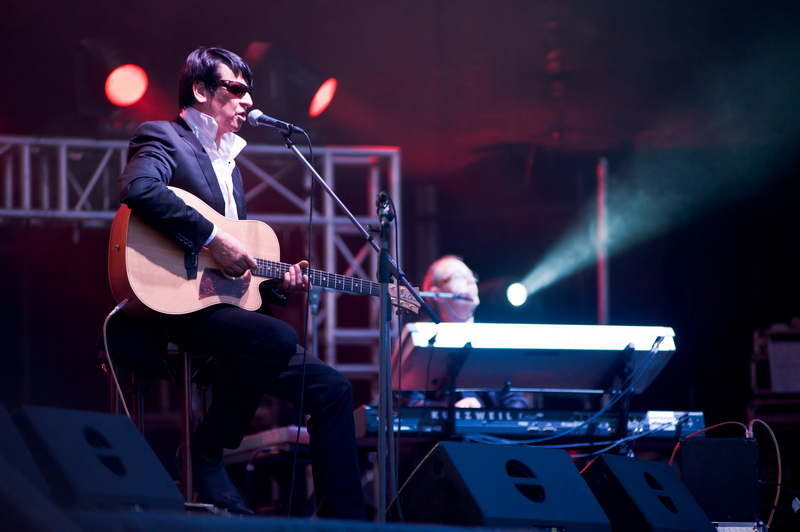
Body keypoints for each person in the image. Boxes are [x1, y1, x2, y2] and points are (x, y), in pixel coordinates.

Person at [114, 46, 365, 519]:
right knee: (276, 335)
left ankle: (346, 522)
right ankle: (206, 450)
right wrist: (212, 237)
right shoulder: (165, 137)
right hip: (179, 307)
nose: (248, 100)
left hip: (231, 315)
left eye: (249, 91)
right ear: (201, 91)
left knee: (335, 391)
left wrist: (279, 286)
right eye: (237, 89)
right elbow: (139, 189)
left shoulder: (232, 166)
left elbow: (236, 273)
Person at [397, 255, 528, 409]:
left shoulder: (494, 337)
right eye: (458, 277)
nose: (470, 281)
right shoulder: (421, 337)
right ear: (437, 292)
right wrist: (451, 409)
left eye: (471, 276)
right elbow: (407, 402)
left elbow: (514, 398)